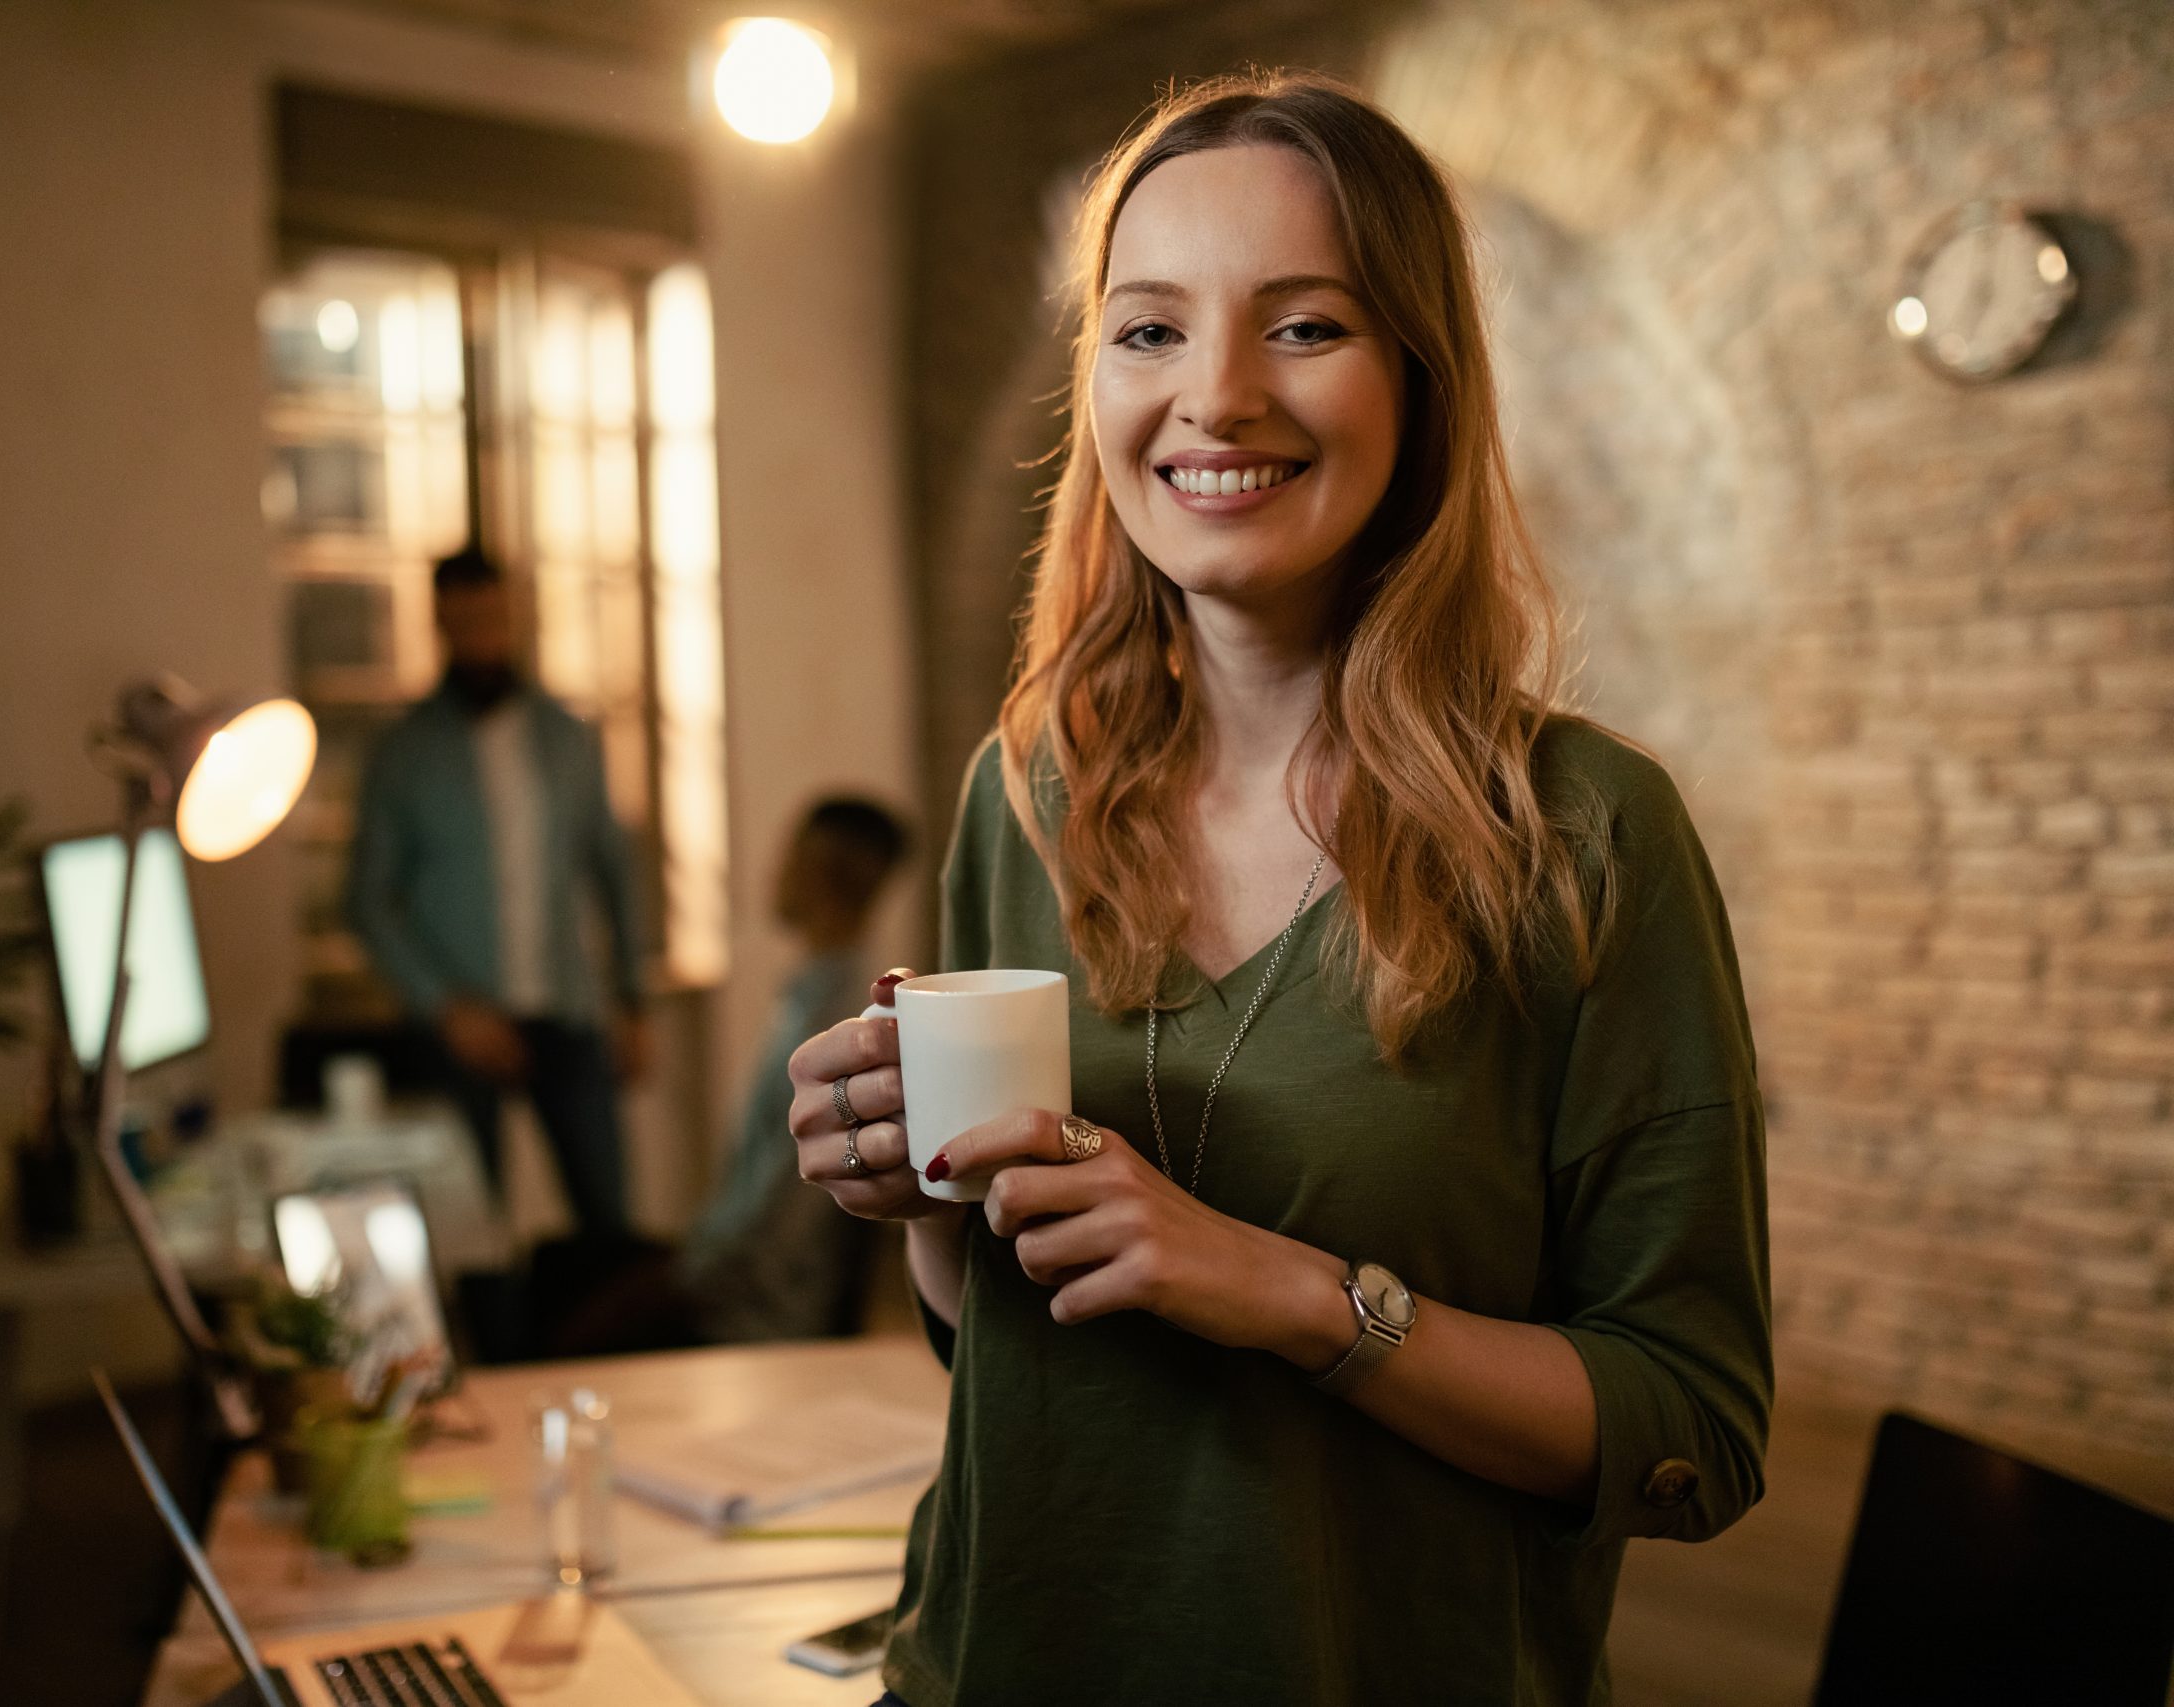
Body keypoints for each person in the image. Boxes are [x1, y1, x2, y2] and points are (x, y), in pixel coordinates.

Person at [786, 72, 1771, 1705]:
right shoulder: (1024, 785)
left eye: (1304, 327)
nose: (1216, 397)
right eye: (1149, 329)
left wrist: (1294, 1294)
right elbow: (999, 1351)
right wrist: (916, 1204)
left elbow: (1699, 1432)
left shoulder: (1589, 837)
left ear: (1421, 380)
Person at [346, 544, 650, 1278]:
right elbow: (366, 900)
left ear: (514, 615)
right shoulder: (405, 751)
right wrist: (445, 1007)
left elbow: (615, 869)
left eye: (492, 616)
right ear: (440, 623)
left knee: (608, 1219)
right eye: (462, 620)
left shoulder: (568, 737)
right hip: (461, 1021)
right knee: (471, 1234)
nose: (480, 633)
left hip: (567, 1008)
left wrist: (633, 1000)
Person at [682, 797, 911, 1341]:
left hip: (755, 1301)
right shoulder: (807, 994)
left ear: (822, 867)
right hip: (728, 1270)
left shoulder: (847, 1020)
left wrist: (694, 1278)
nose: (772, 870)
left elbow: (788, 1201)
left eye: (788, 852)